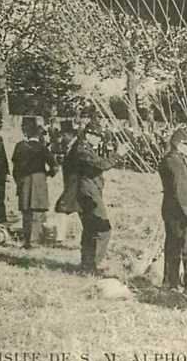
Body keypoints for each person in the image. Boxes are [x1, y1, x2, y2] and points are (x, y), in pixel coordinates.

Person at [56, 121, 128, 275]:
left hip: (87, 194)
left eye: (99, 136)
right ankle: (92, 266)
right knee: (103, 229)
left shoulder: (83, 147)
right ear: (87, 134)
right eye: (94, 135)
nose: (97, 139)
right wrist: (118, 154)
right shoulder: (81, 149)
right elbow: (101, 164)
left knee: (89, 229)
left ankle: (87, 265)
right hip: (87, 195)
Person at [158, 128, 187, 297]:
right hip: (179, 209)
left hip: (169, 207)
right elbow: (181, 190)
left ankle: (170, 283)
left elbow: (185, 177)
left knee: (173, 245)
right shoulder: (176, 163)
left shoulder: (170, 159)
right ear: (179, 144)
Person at [11, 116, 57, 249]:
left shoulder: (19, 147)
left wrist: (19, 181)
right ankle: (35, 241)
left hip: (24, 182)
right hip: (39, 182)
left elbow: (15, 169)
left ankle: (27, 241)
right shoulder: (43, 148)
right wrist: (46, 175)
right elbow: (55, 166)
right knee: (37, 213)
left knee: (26, 212)